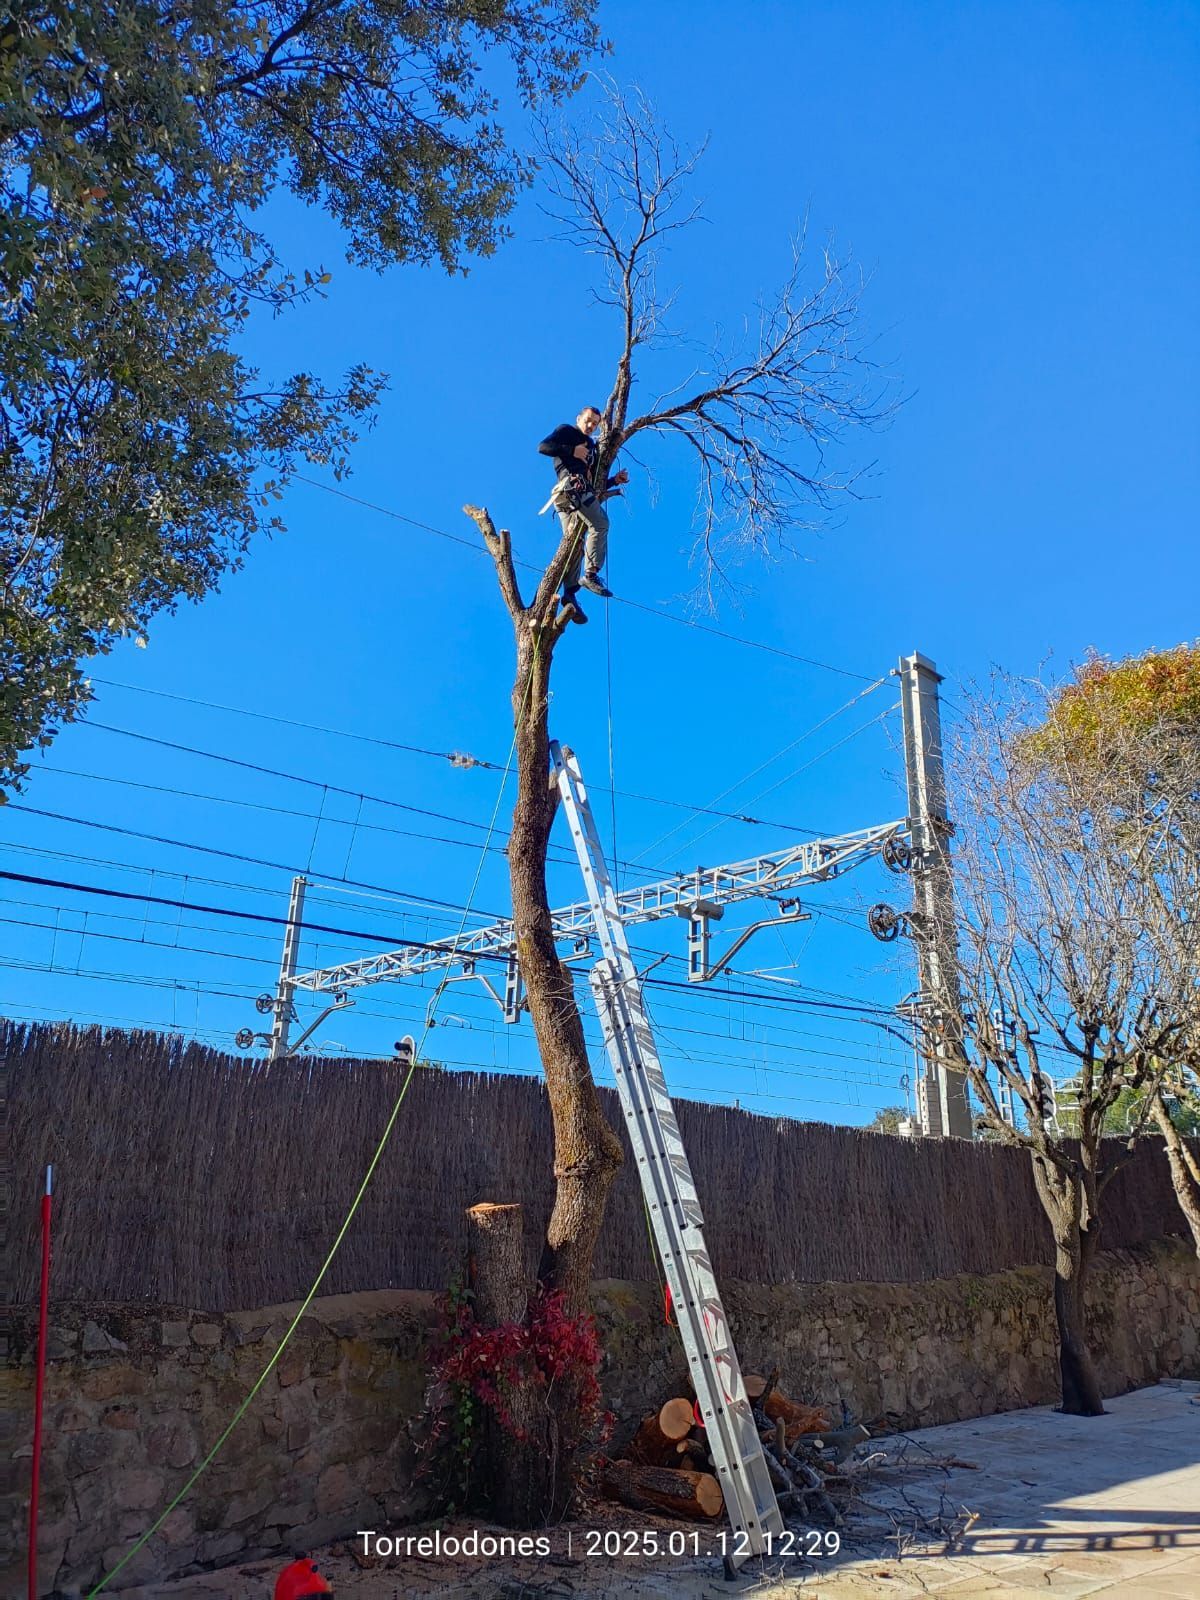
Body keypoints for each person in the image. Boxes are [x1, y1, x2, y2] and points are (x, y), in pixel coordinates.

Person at [537, 405, 629, 623]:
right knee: (600, 523)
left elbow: (593, 481)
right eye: (588, 420)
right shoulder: (567, 431)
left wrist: (614, 481)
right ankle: (590, 575)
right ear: (579, 418)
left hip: (575, 491)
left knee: (576, 543)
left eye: (595, 423)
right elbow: (543, 447)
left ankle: (570, 594)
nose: (590, 425)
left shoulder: (591, 446)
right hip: (569, 488)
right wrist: (571, 451)